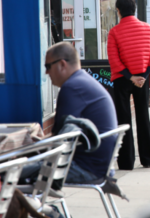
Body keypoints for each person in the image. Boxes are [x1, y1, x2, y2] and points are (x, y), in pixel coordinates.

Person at [47, 42, 119, 180]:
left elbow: (58, 139)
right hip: (100, 165)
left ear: (62, 64)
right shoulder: (82, 81)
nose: (46, 72)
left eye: (48, 66)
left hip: (86, 167)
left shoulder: (72, 87)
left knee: (11, 172)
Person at [107, 0, 150, 170]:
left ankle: (126, 162)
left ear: (118, 10)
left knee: (124, 119)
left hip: (123, 79)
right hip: (143, 79)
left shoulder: (114, 32)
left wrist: (130, 77)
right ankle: (149, 159)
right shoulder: (147, 28)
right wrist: (142, 76)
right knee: (143, 116)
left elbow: (113, 59)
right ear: (134, 9)